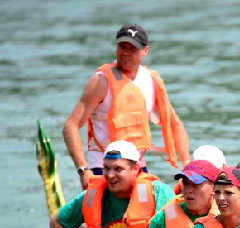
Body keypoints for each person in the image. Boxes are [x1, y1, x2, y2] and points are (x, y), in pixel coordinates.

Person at [63, 23, 190, 190]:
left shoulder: (151, 80)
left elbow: (174, 123)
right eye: (122, 47)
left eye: (133, 48)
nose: (126, 53)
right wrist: (83, 169)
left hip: (135, 165)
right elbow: (70, 126)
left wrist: (187, 166)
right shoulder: (101, 82)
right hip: (103, 167)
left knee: (147, 211)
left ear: (145, 51)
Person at [49, 140, 175, 228]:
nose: (110, 175)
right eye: (106, 168)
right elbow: (57, 222)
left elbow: (176, 227)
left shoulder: (160, 192)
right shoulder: (92, 196)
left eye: (118, 169)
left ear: (135, 169)